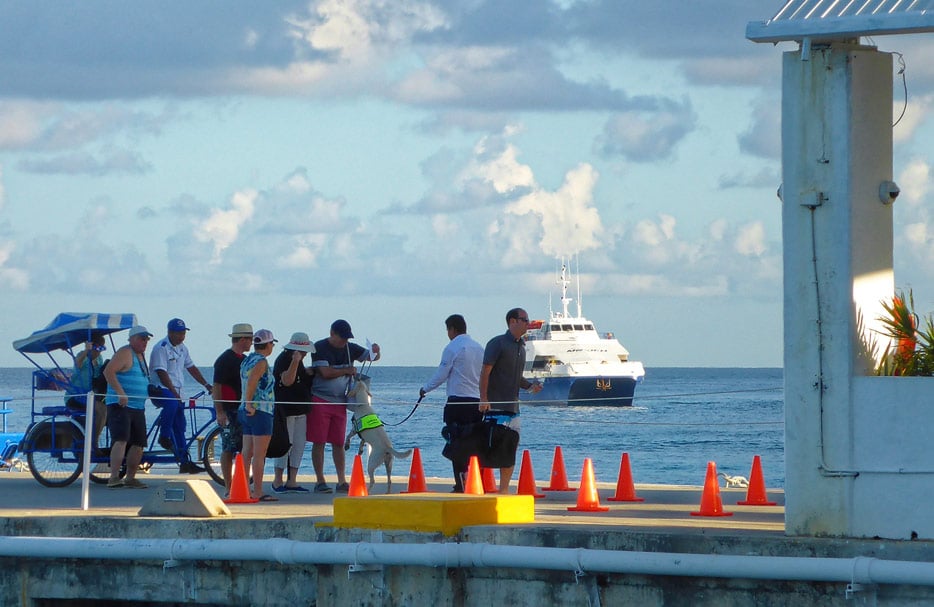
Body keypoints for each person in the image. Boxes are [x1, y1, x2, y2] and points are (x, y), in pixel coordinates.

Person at [309, 319, 381, 494]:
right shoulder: (320, 347)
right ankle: (320, 480)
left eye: (346, 338)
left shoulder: (350, 348)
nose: (344, 342)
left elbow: (371, 357)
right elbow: (324, 373)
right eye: (341, 338)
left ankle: (341, 480)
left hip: (340, 401)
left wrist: (376, 351)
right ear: (332, 333)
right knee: (319, 441)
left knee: (338, 442)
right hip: (320, 399)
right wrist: (347, 370)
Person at [479, 307, 542, 493]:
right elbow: (485, 372)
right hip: (495, 407)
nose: (528, 323)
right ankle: (477, 486)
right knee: (490, 448)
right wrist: (483, 398)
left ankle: (504, 489)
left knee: (510, 447)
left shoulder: (521, 347)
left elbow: (516, 377)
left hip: (514, 408)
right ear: (512, 321)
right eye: (524, 320)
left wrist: (530, 387)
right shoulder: (497, 343)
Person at [420, 314, 484, 493]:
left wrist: (425, 389)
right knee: (474, 443)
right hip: (476, 402)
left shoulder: (452, 347)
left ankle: (460, 483)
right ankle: (475, 480)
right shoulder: (479, 348)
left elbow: (441, 374)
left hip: (457, 402)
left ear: (452, 329)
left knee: (456, 443)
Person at [149, 318, 213, 474]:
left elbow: (191, 368)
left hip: (177, 390)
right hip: (161, 389)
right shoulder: (161, 348)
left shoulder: (183, 348)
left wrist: (206, 384)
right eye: (179, 333)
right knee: (171, 404)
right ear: (170, 332)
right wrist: (174, 393)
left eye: (183, 333)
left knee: (180, 427)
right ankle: (164, 437)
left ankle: (184, 461)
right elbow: (161, 372)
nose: (182, 336)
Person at [103, 325, 153, 489]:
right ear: (132, 339)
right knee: (121, 439)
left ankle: (130, 477)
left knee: (139, 442)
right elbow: (108, 372)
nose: (145, 342)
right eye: (141, 338)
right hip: (121, 405)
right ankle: (114, 477)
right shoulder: (125, 352)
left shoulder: (141, 356)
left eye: (146, 339)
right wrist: (120, 393)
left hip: (138, 406)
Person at [271, 332, 315, 493]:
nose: (304, 355)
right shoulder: (284, 360)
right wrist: (295, 362)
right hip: (286, 409)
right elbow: (287, 381)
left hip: (300, 409)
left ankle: (292, 480)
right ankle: (277, 480)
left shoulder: (300, 363)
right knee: (285, 444)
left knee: (298, 444)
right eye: (303, 352)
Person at [212, 322, 253, 495]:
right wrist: (219, 411)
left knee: (245, 447)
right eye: (250, 339)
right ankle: (229, 486)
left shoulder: (244, 360)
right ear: (242, 339)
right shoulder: (224, 360)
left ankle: (242, 483)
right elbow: (217, 386)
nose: (251, 343)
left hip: (242, 408)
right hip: (229, 409)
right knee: (228, 447)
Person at [239, 329, 278, 501]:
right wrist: (250, 403)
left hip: (245, 410)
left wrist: (246, 404)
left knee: (247, 451)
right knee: (259, 454)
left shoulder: (247, 360)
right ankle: (258, 490)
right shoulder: (261, 362)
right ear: (268, 344)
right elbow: (254, 380)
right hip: (260, 409)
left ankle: (244, 488)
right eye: (272, 344)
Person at [64, 333, 109, 451]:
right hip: (76, 397)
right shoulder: (82, 357)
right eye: (98, 348)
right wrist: (86, 351)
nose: (100, 352)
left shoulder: (99, 359)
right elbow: (77, 363)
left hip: (91, 395)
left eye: (102, 349)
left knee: (111, 409)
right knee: (101, 410)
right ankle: (93, 442)